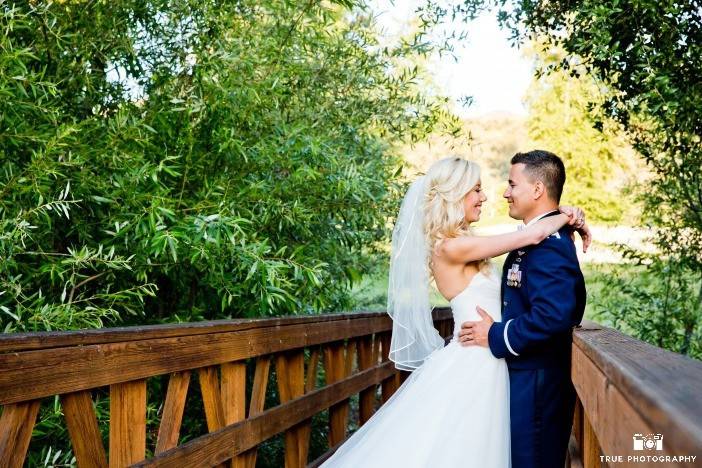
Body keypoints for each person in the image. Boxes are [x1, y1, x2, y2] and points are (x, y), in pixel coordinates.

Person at [321, 155, 590, 467]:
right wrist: (567, 216)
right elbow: (531, 235)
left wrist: (563, 217)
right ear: (454, 195)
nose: (486, 196)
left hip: (492, 355)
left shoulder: (465, 242)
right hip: (476, 358)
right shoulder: (449, 247)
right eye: (476, 190)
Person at [459, 150, 587, 468]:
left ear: (537, 190)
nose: (505, 192)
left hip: (538, 384)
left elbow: (553, 315)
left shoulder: (551, 246)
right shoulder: (540, 238)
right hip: (527, 379)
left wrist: (496, 334)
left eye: (512, 184)